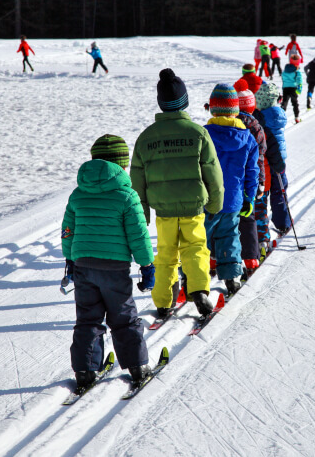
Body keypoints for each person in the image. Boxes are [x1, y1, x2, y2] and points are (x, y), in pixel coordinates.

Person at [60, 134, 155, 389]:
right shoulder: (127, 195)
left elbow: (68, 229)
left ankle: (85, 370)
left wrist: (69, 259)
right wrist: (147, 265)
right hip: (114, 270)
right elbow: (138, 234)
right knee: (123, 317)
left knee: (88, 319)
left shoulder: (78, 195)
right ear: (122, 165)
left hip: (83, 267)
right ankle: (137, 367)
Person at [130, 68, 224, 318]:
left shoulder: (146, 138)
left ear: (161, 104)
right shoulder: (198, 133)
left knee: (166, 252)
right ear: (185, 101)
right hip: (193, 207)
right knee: (195, 248)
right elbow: (213, 174)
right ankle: (199, 291)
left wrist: (143, 215)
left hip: (164, 209)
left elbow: (136, 180)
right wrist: (215, 204)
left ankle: (163, 300)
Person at [203, 84, 259, 293]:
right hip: (234, 199)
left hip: (207, 199)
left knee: (201, 239)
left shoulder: (204, 134)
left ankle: (197, 278)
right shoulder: (247, 138)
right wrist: (249, 198)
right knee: (229, 236)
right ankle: (231, 278)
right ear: (235, 110)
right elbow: (252, 172)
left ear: (212, 109)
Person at [234, 80, 267, 273]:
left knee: (226, 219)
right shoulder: (256, 127)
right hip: (250, 182)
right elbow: (259, 159)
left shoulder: (231, 123)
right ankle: (251, 260)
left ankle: (216, 259)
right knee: (248, 218)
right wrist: (261, 182)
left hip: (230, 180)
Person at [252, 83, 286, 260]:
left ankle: (255, 239)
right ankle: (281, 223)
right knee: (278, 194)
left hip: (263, 165)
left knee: (258, 204)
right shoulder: (279, 114)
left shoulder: (259, 119)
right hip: (277, 161)